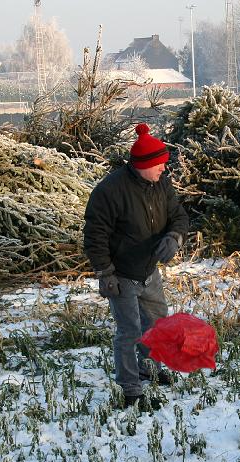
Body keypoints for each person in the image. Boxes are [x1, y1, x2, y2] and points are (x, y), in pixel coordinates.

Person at [83, 123, 189, 408]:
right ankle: (131, 389)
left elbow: (179, 216)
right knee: (129, 332)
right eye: (160, 165)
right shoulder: (110, 191)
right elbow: (95, 236)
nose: (164, 170)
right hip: (121, 274)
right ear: (144, 164)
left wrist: (174, 237)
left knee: (156, 324)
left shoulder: (161, 184)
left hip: (149, 271)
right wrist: (105, 273)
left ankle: (150, 367)